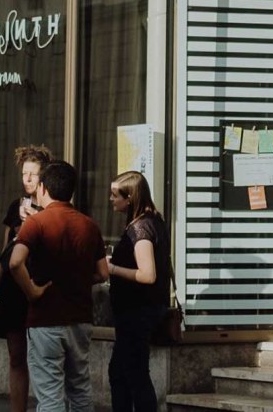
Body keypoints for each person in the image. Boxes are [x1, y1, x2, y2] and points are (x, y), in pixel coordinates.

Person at [9, 161, 106, 412]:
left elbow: (15, 262)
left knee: (50, 395)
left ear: (42, 188)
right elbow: (102, 273)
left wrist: (31, 290)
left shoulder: (36, 222)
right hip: (80, 319)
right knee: (80, 389)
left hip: (45, 319)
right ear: (71, 191)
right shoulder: (89, 225)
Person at [0, 144, 52, 412]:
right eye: (25, 173)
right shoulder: (16, 207)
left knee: (44, 358)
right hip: (13, 289)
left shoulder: (52, 207)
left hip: (39, 286)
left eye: (34, 174)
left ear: (44, 176)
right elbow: (5, 255)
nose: (28, 179)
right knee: (16, 357)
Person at [106, 171, 171, 412]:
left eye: (115, 195)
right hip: (138, 311)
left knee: (132, 375)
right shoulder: (152, 221)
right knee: (123, 373)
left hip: (137, 313)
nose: (111, 199)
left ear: (130, 198)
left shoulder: (140, 229)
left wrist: (112, 268)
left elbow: (147, 274)